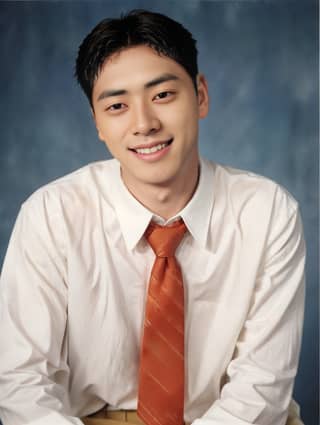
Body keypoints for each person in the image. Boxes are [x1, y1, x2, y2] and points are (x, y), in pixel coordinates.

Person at [0, 9, 305, 425]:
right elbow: (20, 382)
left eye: (162, 95)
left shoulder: (268, 212)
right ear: (97, 124)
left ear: (200, 95)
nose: (143, 124)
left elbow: (261, 388)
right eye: (117, 106)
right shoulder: (51, 216)